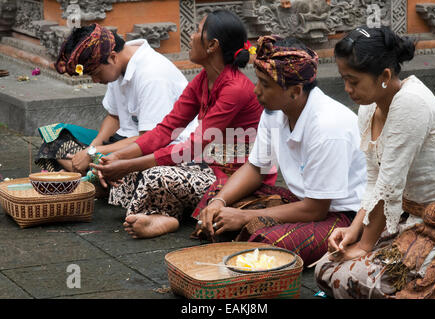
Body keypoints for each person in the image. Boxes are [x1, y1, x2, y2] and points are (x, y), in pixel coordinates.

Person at [90, 10, 276, 239]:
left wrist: (129, 164)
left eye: (198, 30)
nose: (191, 35)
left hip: (234, 176)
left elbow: (192, 148)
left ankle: (166, 215)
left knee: (152, 175)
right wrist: (121, 157)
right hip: (208, 164)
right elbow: (166, 129)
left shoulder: (234, 89)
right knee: (134, 173)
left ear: (212, 45)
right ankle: (167, 214)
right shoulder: (202, 79)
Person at [196, 35, 367, 267]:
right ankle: (233, 231)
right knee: (215, 194)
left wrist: (245, 217)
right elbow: (256, 168)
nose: (256, 91)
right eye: (258, 81)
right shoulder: (274, 110)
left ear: (295, 91)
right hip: (301, 202)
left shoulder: (328, 126)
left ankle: (240, 237)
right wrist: (219, 202)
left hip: (343, 217)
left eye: (265, 85)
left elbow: (315, 209)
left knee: (265, 244)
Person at [314, 26, 435, 299]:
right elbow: (374, 179)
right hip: (408, 217)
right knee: (324, 268)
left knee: (346, 276)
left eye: (353, 81)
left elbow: (388, 185)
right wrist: (353, 232)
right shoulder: (369, 105)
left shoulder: (411, 103)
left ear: (385, 76)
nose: (347, 89)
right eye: (344, 79)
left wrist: (364, 247)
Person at [35, 23, 196, 175]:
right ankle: (86, 173)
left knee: (123, 171)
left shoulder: (152, 75)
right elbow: (114, 117)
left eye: (96, 73)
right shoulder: (118, 65)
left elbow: (150, 140)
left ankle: (84, 175)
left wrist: (93, 153)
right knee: (54, 138)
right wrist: (93, 147)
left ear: (112, 57)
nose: (95, 81)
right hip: (123, 141)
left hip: (156, 147)